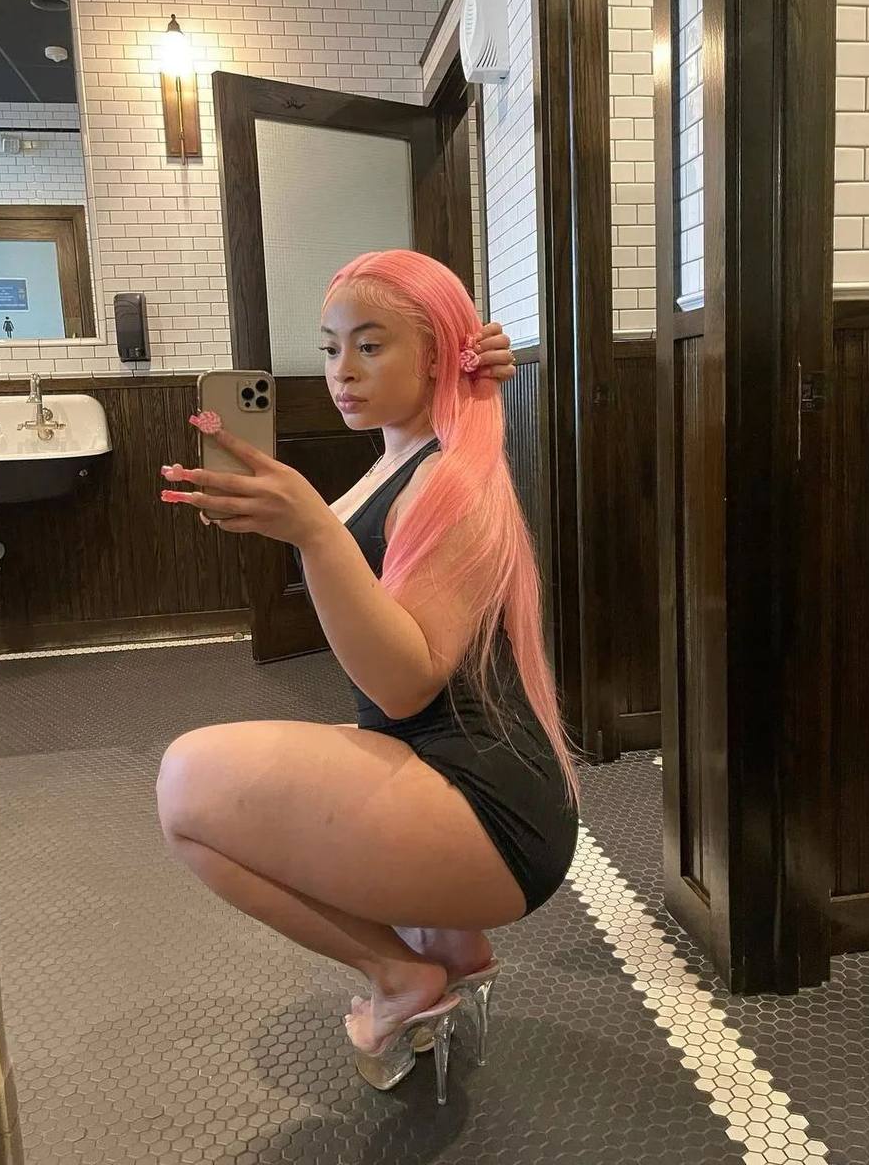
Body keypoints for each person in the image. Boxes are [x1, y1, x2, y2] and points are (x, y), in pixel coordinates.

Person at [156, 250, 580, 1105]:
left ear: (436, 356)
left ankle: (398, 977)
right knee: (224, 781)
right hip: (458, 774)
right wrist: (303, 522)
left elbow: (403, 687)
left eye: (370, 346)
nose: (341, 371)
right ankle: (451, 949)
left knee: (186, 790)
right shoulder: (400, 460)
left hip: (492, 811)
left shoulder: (449, 479)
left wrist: (314, 533)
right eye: (329, 348)